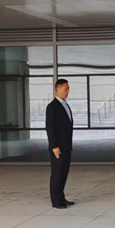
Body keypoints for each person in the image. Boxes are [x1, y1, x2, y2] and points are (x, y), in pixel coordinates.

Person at [45, 79, 75, 209]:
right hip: (58, 147)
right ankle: (56, 200)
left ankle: (61, 197)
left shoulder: (65, 105)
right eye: (65, 89)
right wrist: (54, 146)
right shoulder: (52, 107)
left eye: (68, 89)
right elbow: (50, 128)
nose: (67, 92)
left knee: (63, 173)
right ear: (58, 89)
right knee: (57, 173)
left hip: (66, 146)